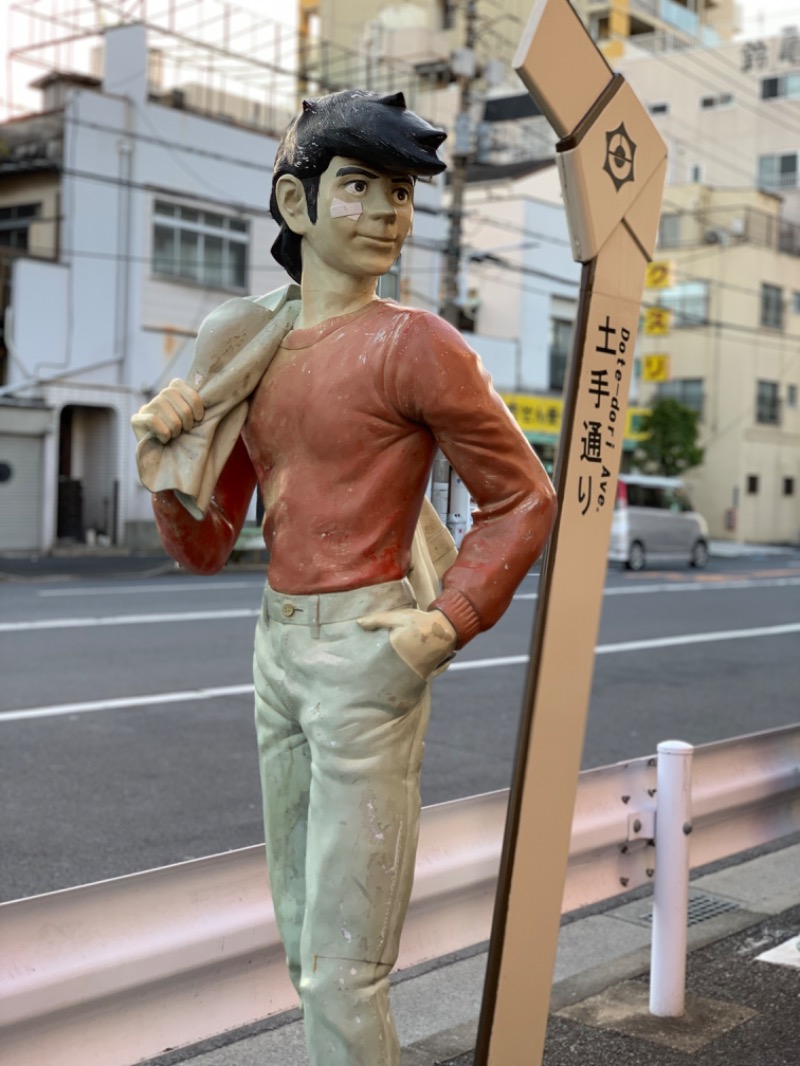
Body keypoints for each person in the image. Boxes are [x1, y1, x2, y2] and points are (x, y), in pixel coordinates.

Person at [132, 88, 557, 1066]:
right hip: (277, 646)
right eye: (359, 186)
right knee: (302, 941)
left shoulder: (417, 346)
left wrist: (439, 624)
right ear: (297, 205)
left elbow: (521, 494)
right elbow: (203, 544)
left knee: (342, 964)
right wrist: (166, 460)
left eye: (400, 194)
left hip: (370, 643)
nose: (385, 215)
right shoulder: (246, 347)